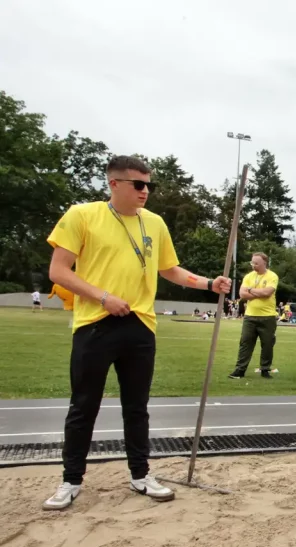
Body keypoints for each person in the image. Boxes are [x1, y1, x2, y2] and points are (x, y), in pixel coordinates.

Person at [43, 155, 232, 510]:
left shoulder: (155, 223)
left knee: (137, 407)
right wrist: (103, 297)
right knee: (84, 406)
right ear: (114, 184)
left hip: (141, 325)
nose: (146, 192)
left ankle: (140, 475)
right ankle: (70, 480)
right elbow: (58, 271)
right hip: (94, 324)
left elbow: (170, 269)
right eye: (139, 185)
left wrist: (209, 283)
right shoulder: (81, 215)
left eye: (150, 185)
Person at [229, 252, 278, 379]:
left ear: (264, 263)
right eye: (252, 263)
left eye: (256, 263)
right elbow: (242, 295)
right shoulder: (248, 276)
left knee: (267, 344)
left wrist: (250, 290)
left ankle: (265, 369)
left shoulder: (272, 276)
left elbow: (267, 292)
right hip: (250, 316)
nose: (253, 265)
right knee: (245, 343)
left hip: (268, 317)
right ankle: (240, 370)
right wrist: (257, 293)